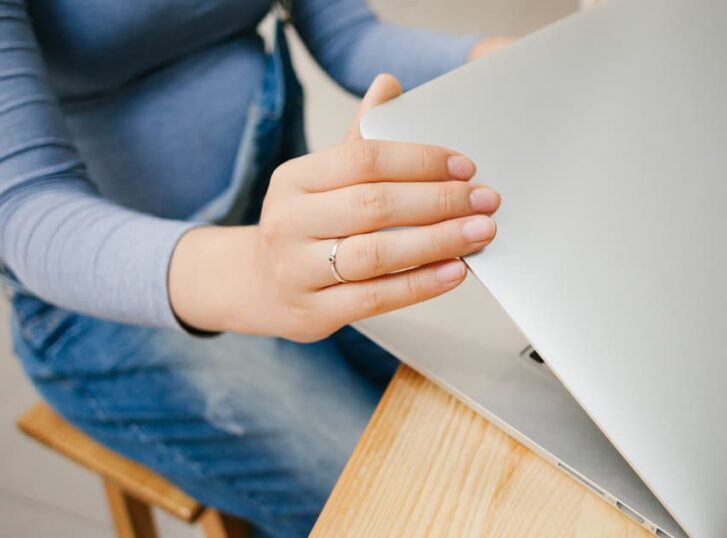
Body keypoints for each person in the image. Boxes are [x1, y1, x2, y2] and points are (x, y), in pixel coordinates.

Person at [0, 1, 510, 535]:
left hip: (287, 237)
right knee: (414, 513)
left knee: (500, 432)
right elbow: (24, 206)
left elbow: (347, 36)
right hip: (112, 300)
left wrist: (497, 61)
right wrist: (255, 274)